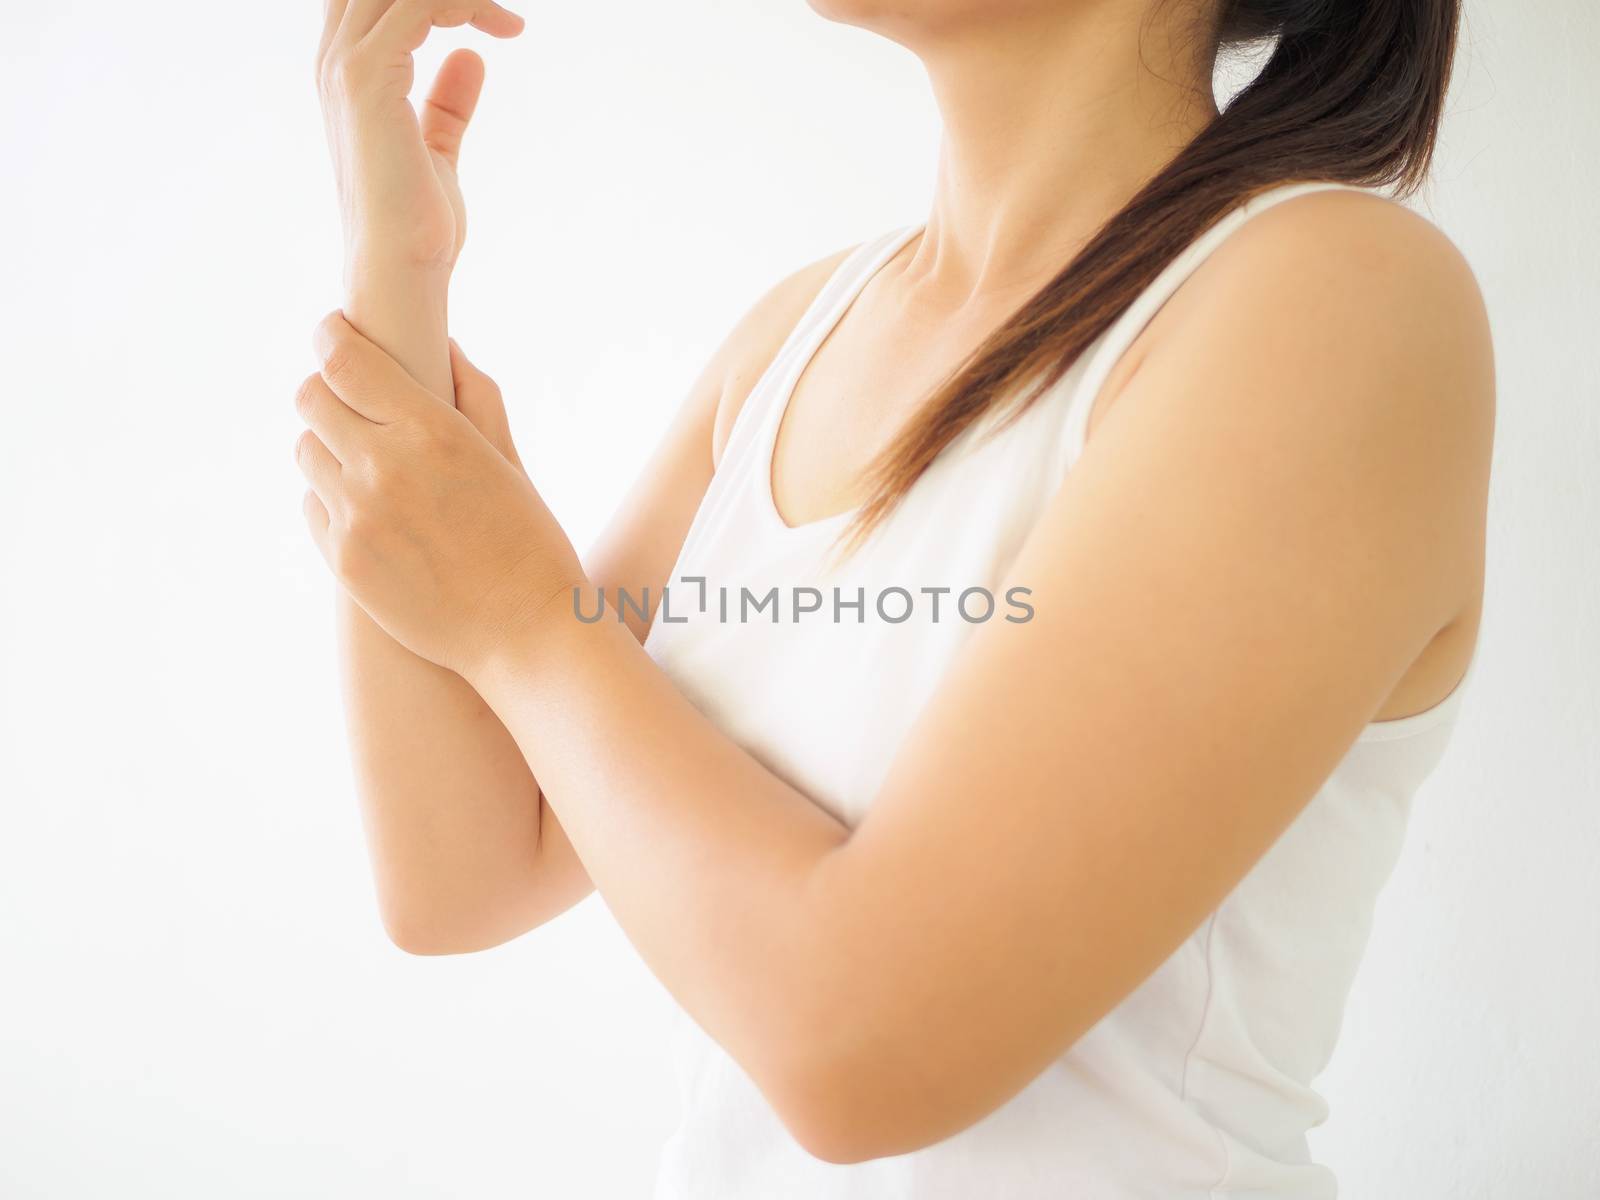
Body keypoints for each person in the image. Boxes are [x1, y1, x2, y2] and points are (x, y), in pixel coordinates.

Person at [293, 0, 1493, 1193]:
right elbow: (468, 866)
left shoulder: (1334, 298)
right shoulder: (801, 332)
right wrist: (399, 274)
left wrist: (521, 616)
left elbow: (861, 1054)